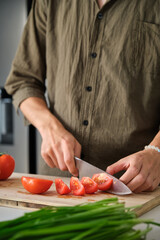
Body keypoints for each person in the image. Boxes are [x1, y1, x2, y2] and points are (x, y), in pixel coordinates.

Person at [5, 0, 160, 193]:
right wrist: (50, 128)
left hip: (138, 185)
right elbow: (23, 81)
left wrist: (157, 151)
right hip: (57, 186)